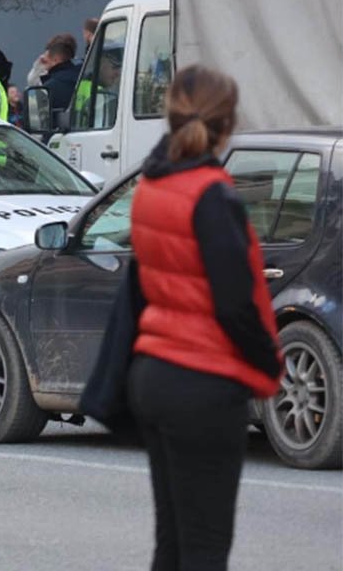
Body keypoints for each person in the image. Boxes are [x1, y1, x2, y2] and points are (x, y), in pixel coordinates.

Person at [127, 65, 281, 570]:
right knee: (206, 549)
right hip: (204, 383)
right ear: (228, 123)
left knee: (172, 541)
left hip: (154, 373)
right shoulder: (212, 194)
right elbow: (235, 300)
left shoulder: (152, 184)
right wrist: (268, 365)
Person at [39, 33, 80, 113]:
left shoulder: (49, 89)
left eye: (45, 60)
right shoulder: (83, 78)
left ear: (56, 60)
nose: (43, 63)